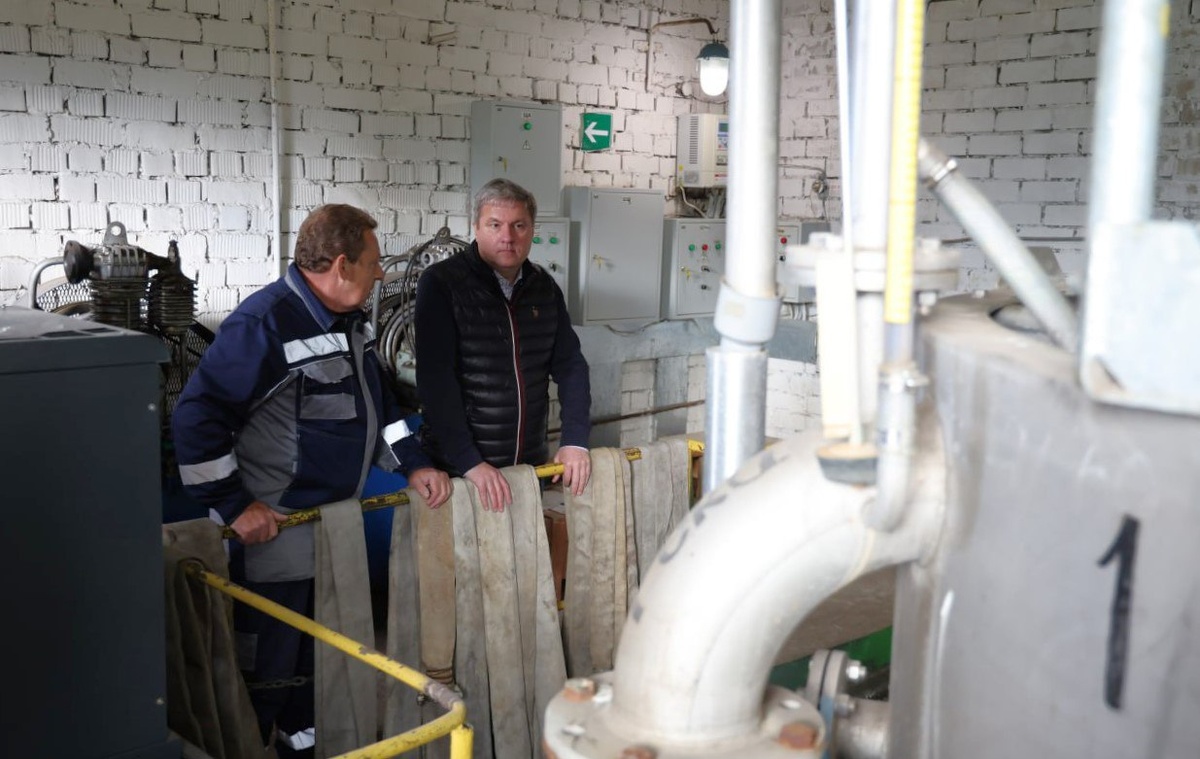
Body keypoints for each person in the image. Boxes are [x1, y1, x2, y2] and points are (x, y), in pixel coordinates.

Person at [171, 204, 451, 756]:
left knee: (315, 669)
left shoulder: (351, 324)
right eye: (373, 262)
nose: (381, 274)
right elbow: (195, 418)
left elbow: (380, 410)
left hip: (331, 529)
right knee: (264, 672)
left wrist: (414, 464)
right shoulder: (265, 324)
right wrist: (235, 506)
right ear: (342, 265)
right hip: (271, 537)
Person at [415, 178, 592, 512]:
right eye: (495, 225)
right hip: (461, 474)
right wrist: (469, 462)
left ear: (532, 230)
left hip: (528, 468)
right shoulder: (441, 284)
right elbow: (435, 382)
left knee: (525, 546)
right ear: (476, 227)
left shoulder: (544, 288)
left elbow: (571, 366)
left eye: (519, 225)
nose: (508, 236)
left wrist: (575, 440)